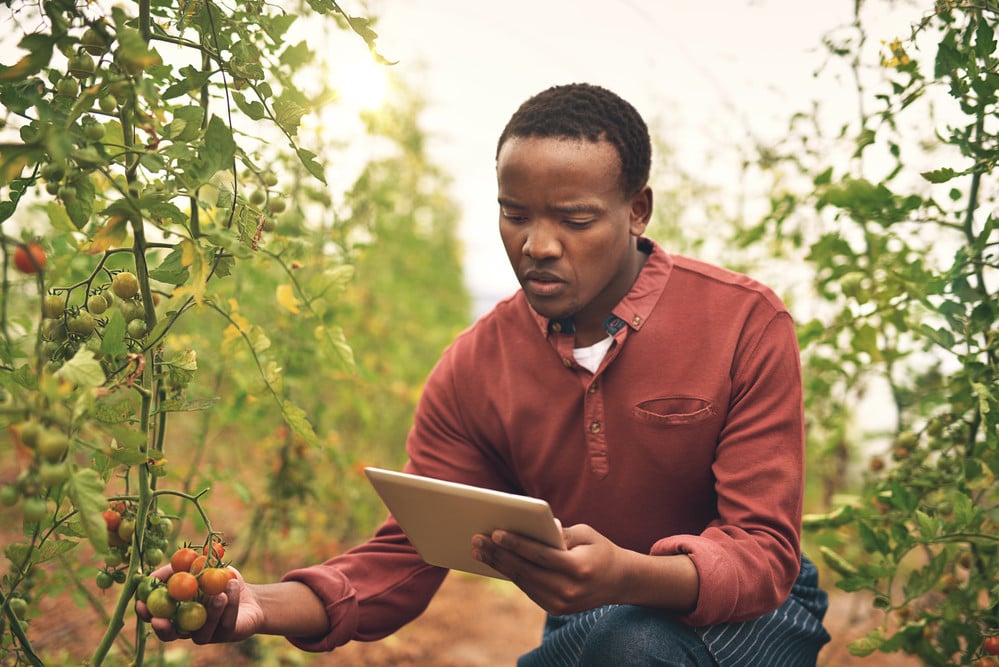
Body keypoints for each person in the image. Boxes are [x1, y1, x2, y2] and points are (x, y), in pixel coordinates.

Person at [138, 83, 831, 666]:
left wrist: (628, 573)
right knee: (616, 641)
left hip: (756, 614)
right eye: (513, 214)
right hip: (590, 621)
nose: (537, 245)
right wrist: (259, 603)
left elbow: (762, 553)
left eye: (575, 219)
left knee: (631, 645)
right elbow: (404, 556)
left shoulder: (742, 323)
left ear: (637, 211)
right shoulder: (476, 367)